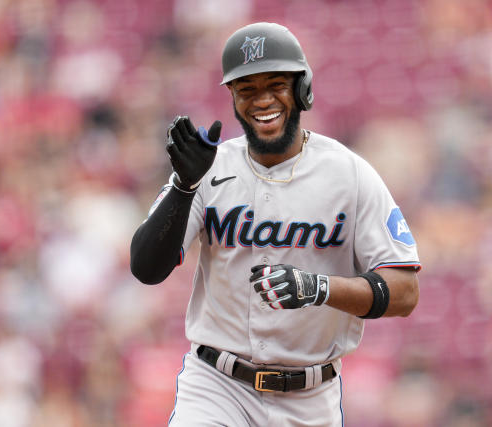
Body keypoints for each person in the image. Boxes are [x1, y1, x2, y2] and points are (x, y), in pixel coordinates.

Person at [130, 22, 421, 426]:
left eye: (276, 85)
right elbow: (145, 268)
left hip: (310, 397)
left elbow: (405, 291)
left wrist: (317, 288)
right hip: (217, 386)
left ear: (302, 89)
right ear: (232, 97)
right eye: (247, 89)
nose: (262, 100)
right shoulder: (208, 169)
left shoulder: (349, 174)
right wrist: (183, 186)